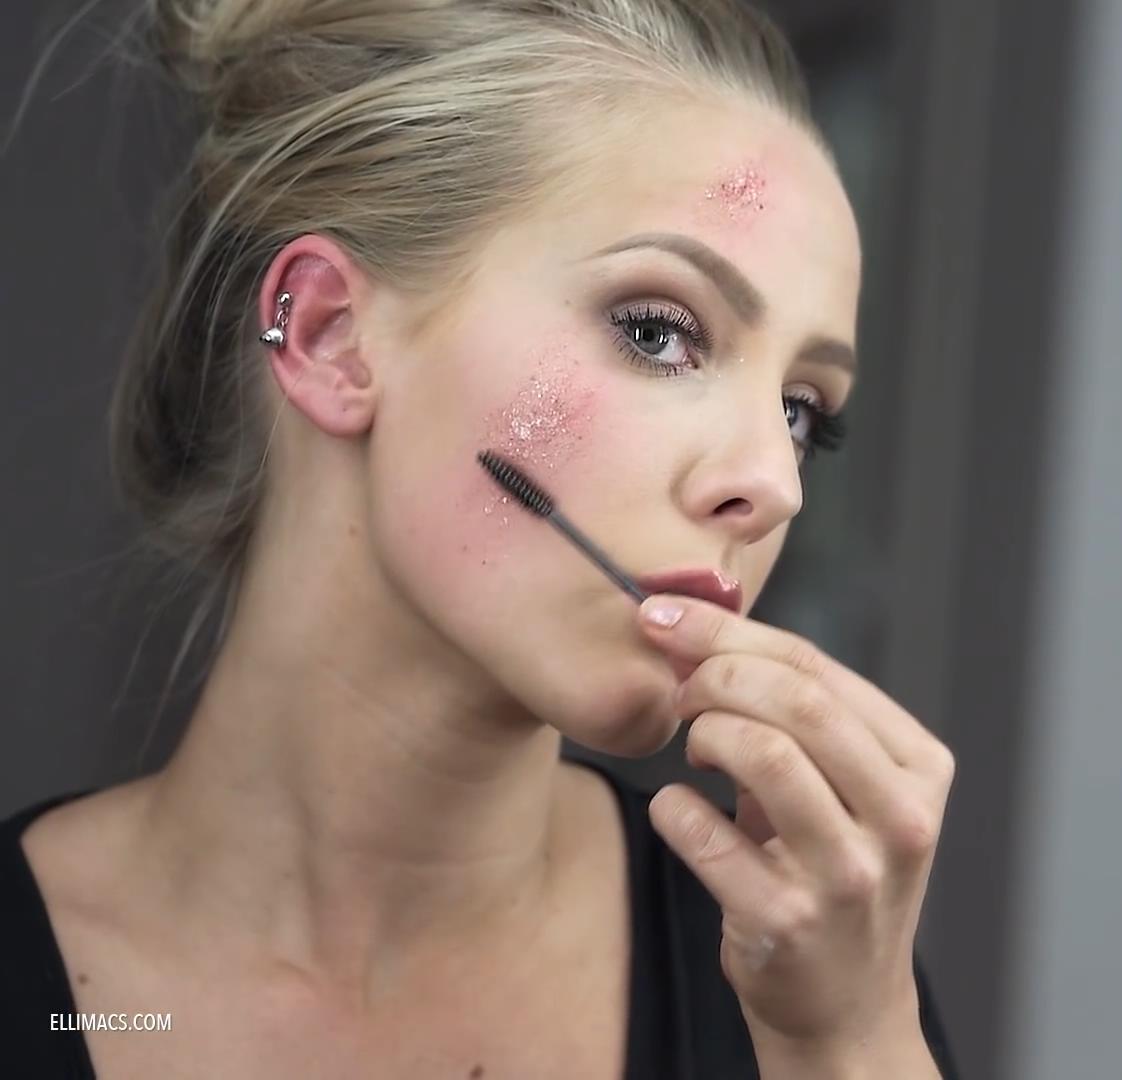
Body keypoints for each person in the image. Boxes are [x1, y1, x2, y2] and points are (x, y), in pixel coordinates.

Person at [0, 1, 959, 1076]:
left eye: (801, 412)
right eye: (659, 332)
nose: (774, 486)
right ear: (326, 336)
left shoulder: (801, 982)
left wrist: (851, 1043)